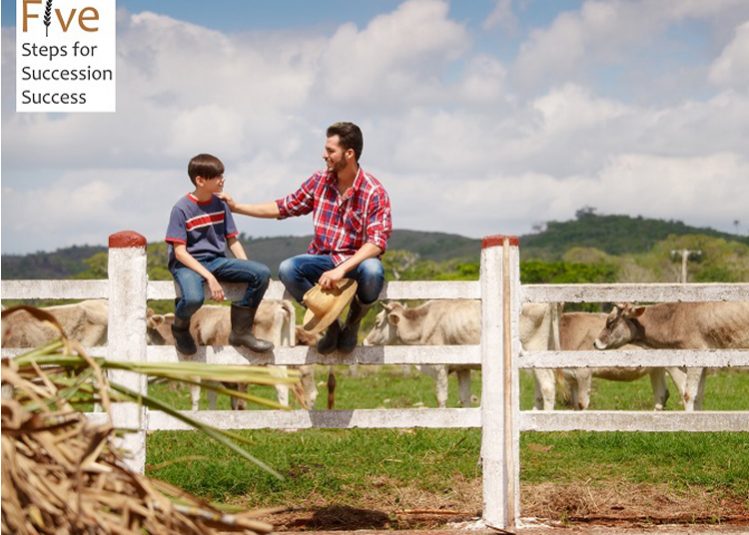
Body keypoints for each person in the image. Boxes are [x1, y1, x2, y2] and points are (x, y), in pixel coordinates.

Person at [218, 122, 392, 354]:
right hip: (324, 259)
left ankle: (351, 323)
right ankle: (330, 325)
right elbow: (284, 206)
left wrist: (341, 270)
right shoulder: (320, 181)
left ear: (349, 154)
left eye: (330, 150)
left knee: (373, 271)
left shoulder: (374, 191)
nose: (324, 155)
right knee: (289, 268)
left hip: (357, 262)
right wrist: (237, 207)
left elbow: (376, 242)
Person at [165, 153, 274, 355]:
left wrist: (246, 267)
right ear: (200, 180)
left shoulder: (221, 204)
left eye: (222, 175)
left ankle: (241, 331)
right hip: (188, 264)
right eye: (217, 176)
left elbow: (232, 239)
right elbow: (180, 253)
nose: (222, 180)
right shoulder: (181, 209)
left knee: (261, 273)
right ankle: (180, 328)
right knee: (193, 299)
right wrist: (209, 277)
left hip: (216, 260)